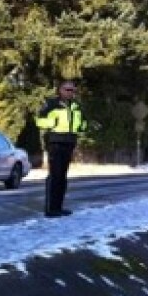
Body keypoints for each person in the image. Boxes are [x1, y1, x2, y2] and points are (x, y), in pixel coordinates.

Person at [36, 80, 88, 217]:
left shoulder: (76, 106)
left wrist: (83, 126)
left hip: (69, 142)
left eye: (72, 90)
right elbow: (39, 120)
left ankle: (59, 207)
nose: (70, 92)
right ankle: (50, 209)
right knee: (55, 176)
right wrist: (52, 123)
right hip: (55, 142)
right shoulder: (52, 104)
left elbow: (82, 121)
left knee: (63, 177)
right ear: (60, 90)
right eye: (67, 89)